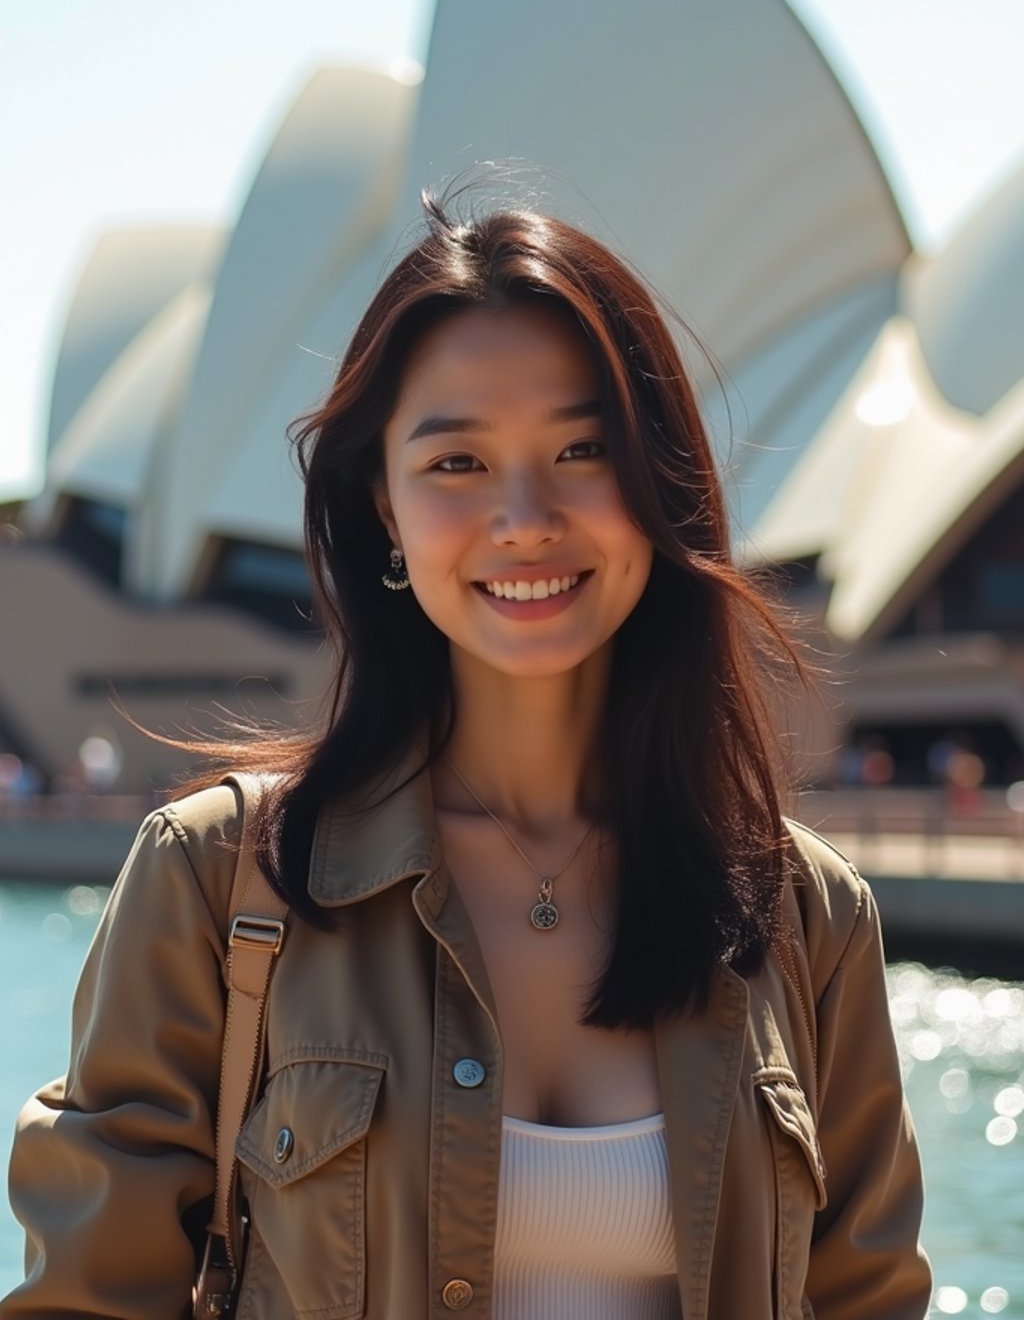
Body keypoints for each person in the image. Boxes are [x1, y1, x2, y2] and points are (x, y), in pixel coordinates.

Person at [3, 195, 931, 1319]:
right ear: (383, 509)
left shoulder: (808, 919)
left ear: (660, 486)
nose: (525, 517)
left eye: (582, 449)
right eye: (457, 464)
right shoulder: (221, 885)